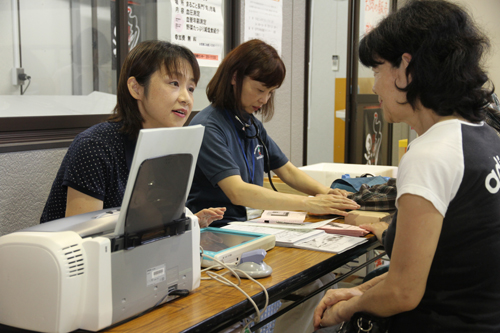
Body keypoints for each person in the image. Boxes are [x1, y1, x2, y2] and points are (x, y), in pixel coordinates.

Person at [313, 1, 500, 332]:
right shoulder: (484, 137)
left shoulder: (431, 153)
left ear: (405, 68)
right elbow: (437, 265)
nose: (373, 86)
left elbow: (403, 292)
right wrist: (361, 290)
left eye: (377, 69)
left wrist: (346, 310)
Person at [40, 40, 225, 228]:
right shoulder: (95, 146)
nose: (186, 98)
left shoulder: (170, 145)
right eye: (174, 83)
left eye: (191, 88)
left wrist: (187, 223)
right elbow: (84, 237)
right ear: (136, 88)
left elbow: (152, 222)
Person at [187, 39, 360, 227]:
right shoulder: (208, 127)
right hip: (217, 229)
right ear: (235, 77)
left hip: (249, 225)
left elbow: (287, 170)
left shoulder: (250, 124)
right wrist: (308, 203)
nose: (264, 99)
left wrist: (325, 192)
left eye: (270, 92)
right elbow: (237, 191)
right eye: (260, 89)